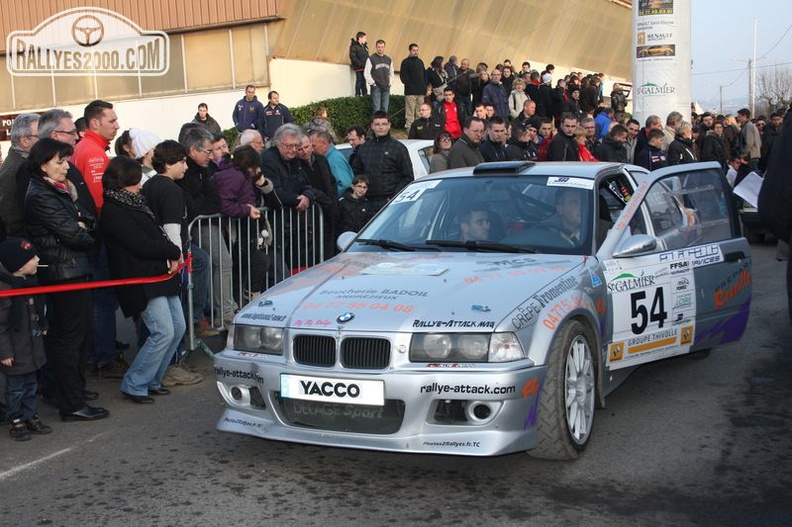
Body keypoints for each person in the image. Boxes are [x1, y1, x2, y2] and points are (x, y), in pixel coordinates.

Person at [25, 138, 107, 422]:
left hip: (73, 269)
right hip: (63, 272)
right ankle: (71, 403)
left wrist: (82, 227)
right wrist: (81, 229)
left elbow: (87, 220)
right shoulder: (40, 194)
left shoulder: (58, 191)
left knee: (80, 336)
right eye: (59, 161)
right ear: (42, 164)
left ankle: (72, 393)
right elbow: (75, 234)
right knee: (71, 338)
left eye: (66, 160)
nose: (66, 166)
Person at [100, 156, 184, 404]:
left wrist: (169, 251)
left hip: (158, 274)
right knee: (163, 331)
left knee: (177, 328)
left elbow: (153, 237)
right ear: (125, 180)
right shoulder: (114, 210)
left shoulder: (136, 202)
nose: (140, 184)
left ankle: (153, 380)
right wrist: (172, 251)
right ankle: (135, 383)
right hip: (140, 277)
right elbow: (139, 244)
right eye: (136, 179)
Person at [140, 140, 204, 388]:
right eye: (181, 162)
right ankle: (170, 367)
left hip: (159, 261)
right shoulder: (170, 190)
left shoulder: (151, 185)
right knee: (170, 325)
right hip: (171, 263)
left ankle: (159, 369)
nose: (185, 167)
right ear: (168, 164)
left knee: (161, 325)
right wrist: (178, 259)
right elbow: (172, 229)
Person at [178, 127, 234, 330]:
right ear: (193, 150)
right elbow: (192, 206)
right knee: (207, 263)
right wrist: (203, 202)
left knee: (218, 264)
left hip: (205, 222)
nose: (212, 156)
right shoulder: (185, 172)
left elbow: (214, 202)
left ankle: (219, 313)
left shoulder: (204, 169)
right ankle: (206, 316)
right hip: (194, 227)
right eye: (207, 151)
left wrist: (202, 201)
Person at [213, 145, 280, 302]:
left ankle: (246, 297)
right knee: (253, 263)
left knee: (249, 265)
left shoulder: (242, 177)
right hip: (233, 232)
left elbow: (276, 203)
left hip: (245, 233)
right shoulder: (235, 177)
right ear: (251, 165)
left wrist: (262, 184)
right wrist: (246, 210)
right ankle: (246, 298)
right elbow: (224, 204)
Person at [0, 237, 51, 440]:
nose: (38, 259)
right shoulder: (6, 291)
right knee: (15, 390)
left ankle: (31, 416)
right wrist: (4, 353)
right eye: (32, 258)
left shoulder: (28, 283)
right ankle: (16, 418)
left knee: (31, 386)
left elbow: (36, 312)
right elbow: (1, 327)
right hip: (15, 352)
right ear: (19, 265)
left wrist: (43, 325)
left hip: (32, 349)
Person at [351, 112, 413, 210]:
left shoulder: (398, 148)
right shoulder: (364, 148)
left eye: (384, 124)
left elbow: (408, 176)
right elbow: (356, 173)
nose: (381, 127)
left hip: (390, 202)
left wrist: (394, 197)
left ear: (389, 125)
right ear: (372, 126)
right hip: (366, 201)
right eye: (377, 124)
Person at [0, 114, 39, 237]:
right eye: (41, 135)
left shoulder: (30, 164)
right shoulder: (12, 172)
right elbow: (12, 221)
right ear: (24, 141)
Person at [310, 130, 355, 196]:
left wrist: (329, 198)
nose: (312, 149)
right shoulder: (331, 157)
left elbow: (345, 184)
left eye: (314, 146)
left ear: (325, 143)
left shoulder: (334, 159)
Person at [399, 43, 427, 129]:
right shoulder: (405, 62)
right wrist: (409, 86)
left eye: (417, 50)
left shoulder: (420, 62)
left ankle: (419, 128)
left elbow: (424, 75)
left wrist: (424, 87)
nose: (416, 52)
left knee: (420, 112)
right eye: (414, 50)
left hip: (420, 92)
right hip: (410, 92)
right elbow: (403, 77)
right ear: (410, 51)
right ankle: (409, 128)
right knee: (410, 112)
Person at [365, 39, 394, 115]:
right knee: (376, 109)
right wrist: (373, 83)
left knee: (385, 109)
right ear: (376, 47)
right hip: (376, 87)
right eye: (379, 47)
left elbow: (391, 73)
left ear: (384, 47)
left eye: (382, 47)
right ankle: (374, 126)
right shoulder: (371, 59)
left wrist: (390, 83)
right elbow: (366, 73)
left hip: (386, 87)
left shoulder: (388, 60)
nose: (380, 48)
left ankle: (384, 125)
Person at [349, 31, 369, 97]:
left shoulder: (365, 47)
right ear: (360, 38)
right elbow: (353, 56)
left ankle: (365, 93)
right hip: (358, 67)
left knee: (364, 81)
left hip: (364, 67)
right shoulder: (354, 47)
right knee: (359, 80)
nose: (366, 39)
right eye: (364, 38)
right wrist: (359, 63)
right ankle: (357, 94)